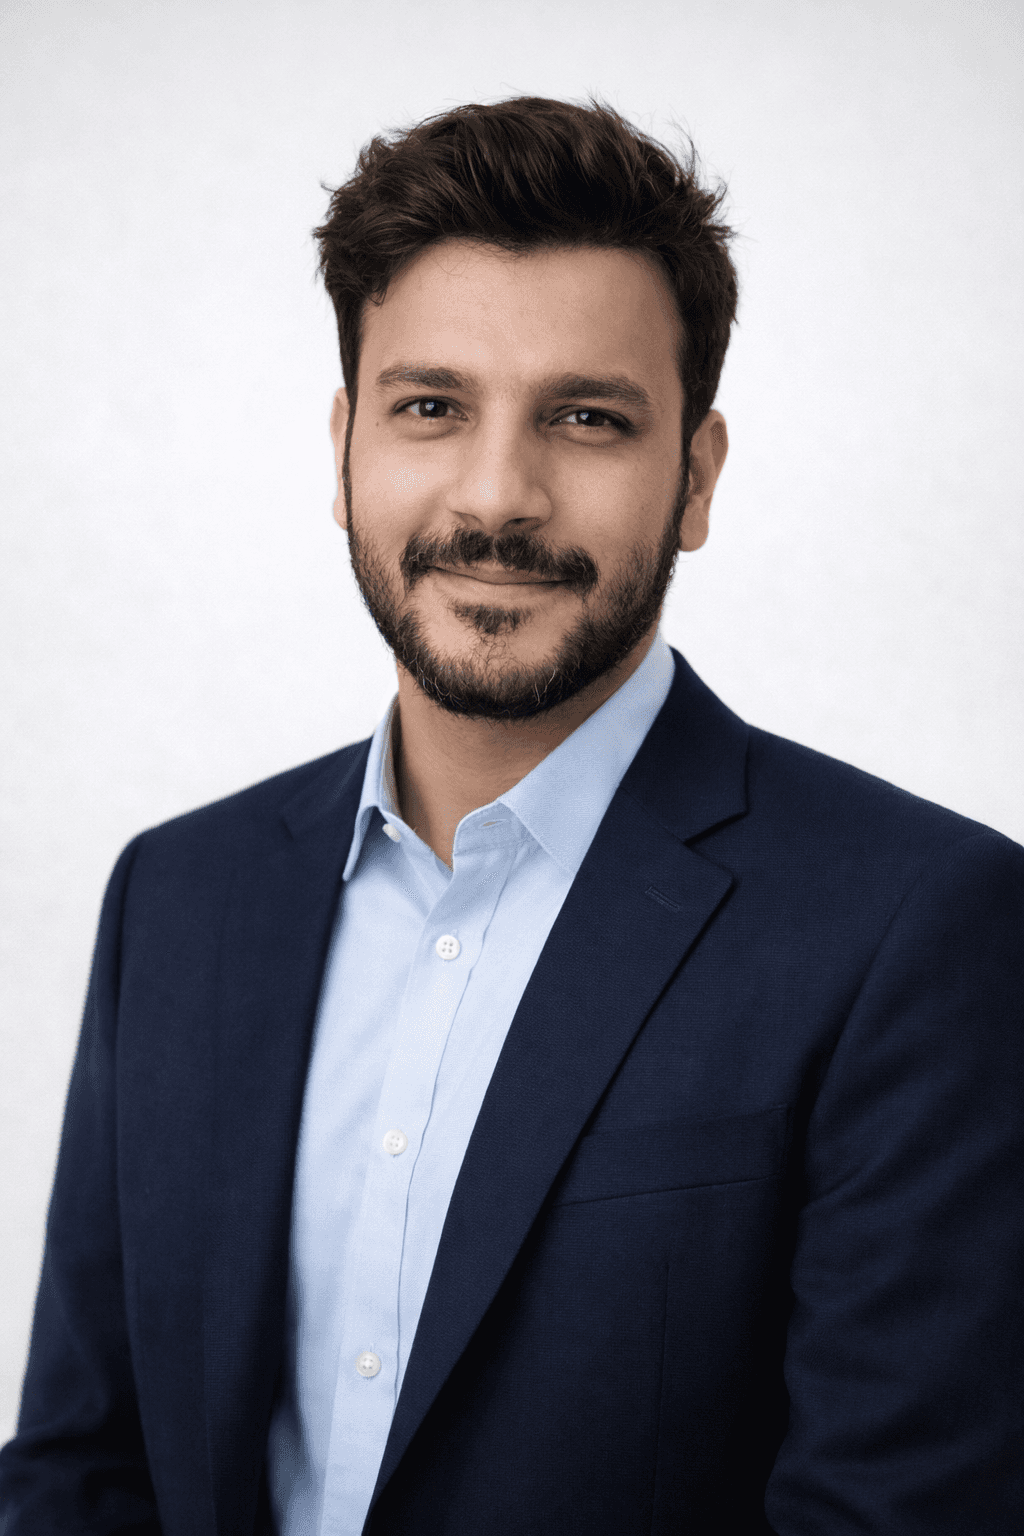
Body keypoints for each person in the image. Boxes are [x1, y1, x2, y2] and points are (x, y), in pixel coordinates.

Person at [1, 96, 1021, 1536]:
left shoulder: (919, 927)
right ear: (344, 446)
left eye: (587, 419)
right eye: (431, 407)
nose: (498, 496)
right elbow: (80, 1466)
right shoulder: (179, 896)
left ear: (696, 479)